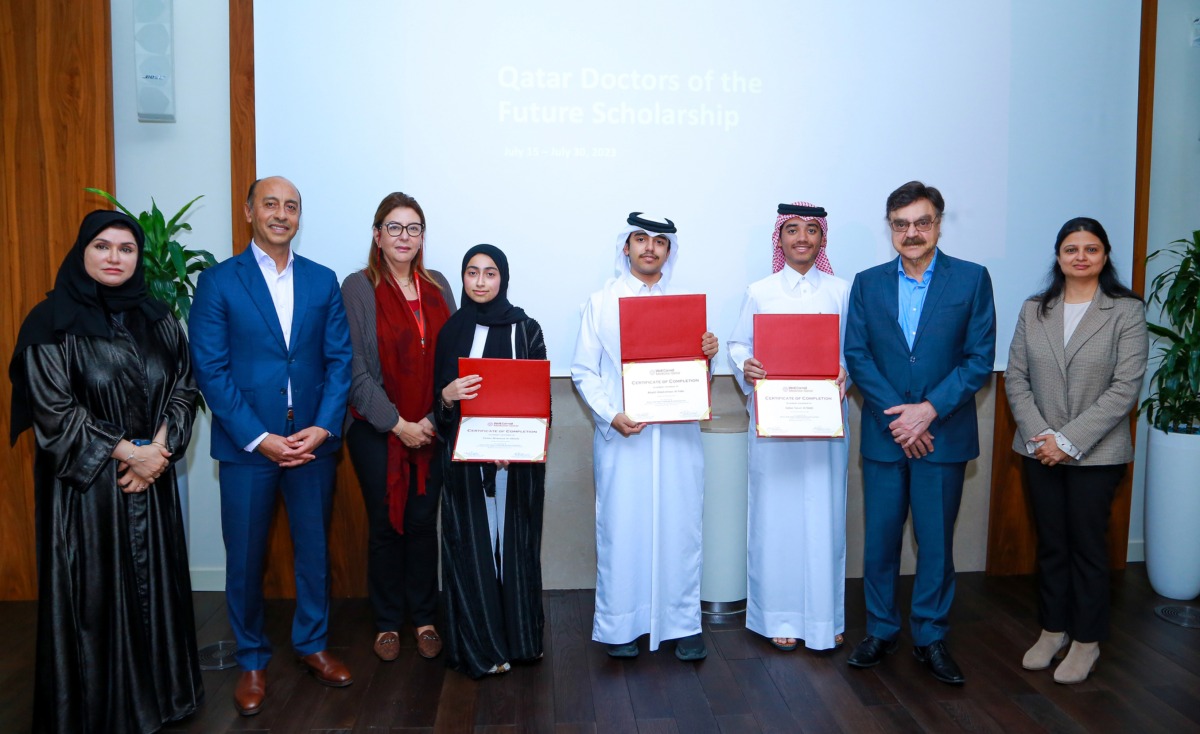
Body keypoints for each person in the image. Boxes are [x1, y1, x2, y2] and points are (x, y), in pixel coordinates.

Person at [9, 210, 203, 733]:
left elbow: (185, 387)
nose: (115, 257)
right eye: (102, 246)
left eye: (126, 249)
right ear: (82, 252)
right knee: (95, 602)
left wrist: (158, 450)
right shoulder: (49, 322)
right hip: (87, 493)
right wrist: (128, 453)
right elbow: (54, 412)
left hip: (152, 481)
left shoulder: (159, 317)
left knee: (154, 593)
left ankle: (162, 699)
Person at [189, 176, 354, 716]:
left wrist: (325, 427)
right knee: (245, 560)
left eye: (292, 206)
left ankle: (312, 644)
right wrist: (260, 438)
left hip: (311, 445)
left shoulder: (322, 280)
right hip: (247, 449)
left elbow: (339, 361)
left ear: (299, 217)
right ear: (248, 211)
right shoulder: (218, 283)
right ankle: (252, 660)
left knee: (313, 552)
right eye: (271, 204)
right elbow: (210, 370)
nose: (281, 214)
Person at [844, 181, 995, 685]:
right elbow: (858, 356)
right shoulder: (866, 283)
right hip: (888, 436)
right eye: (901, 224)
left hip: (943, 434)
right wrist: (901, 417)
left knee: (935, 543)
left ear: (938, 224)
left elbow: (978, 360)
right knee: (881, 542)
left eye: (922, 222)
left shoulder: (972, 280)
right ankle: (882, 631)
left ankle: (930, 636)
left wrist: (927, 411)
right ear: (890, 228)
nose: (912, 232)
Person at [1004, 217, 1147, 684]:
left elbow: (1125, 387)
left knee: (1087, 547)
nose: (1080, 257)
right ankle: (1053, 630)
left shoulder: (1125, 311)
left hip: (1097, 454)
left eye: (1091, 249)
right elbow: (1017, 378)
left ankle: (1087, 641)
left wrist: (1068, 441)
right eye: (1071, 249)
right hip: (1038, 449)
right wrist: (1043, 435)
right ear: (1059, 256)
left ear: (1105, 256)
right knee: (1051, 545)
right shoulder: (1034, 309)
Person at [571, 213, 719, 661]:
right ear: (626, 247)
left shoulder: (685, 304)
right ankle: (621, 626)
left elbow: (692, 378)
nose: (649, 248)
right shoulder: (601, 303)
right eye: (640, 239)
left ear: (668, 251)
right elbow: (583, 371)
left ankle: (681, 624)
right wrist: (610, 415)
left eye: (659, 241)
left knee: (680, 527)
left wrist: (707, 356)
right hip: (625, 438)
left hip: (677, 439)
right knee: (623, 529)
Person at [727, 202, 850, 652]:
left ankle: (825, 617)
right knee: (775, 518)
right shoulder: (759, 291)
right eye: (792, 230)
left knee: (824, 517)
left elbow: (854, 350)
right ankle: (777, 616)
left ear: (822, 239)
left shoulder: (841, 290)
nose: (802, 238)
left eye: (811, 230)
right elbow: (739, 345)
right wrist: (748, 365)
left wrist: (844, 372)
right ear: (779, 239)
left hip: (824, 425)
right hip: (774, 426)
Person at [341, 192, 454, 663]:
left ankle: (424, 617)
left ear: (422, 236)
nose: (404, 236)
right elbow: (355, 368)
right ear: (377, 235)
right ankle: (388, 621)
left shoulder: (441, 284)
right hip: (375, 427)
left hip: (433, 426)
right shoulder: (358, 287)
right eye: (394, 227)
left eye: (412, 228)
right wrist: (398, 424)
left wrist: (429, 419)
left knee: (423, 523)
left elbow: (451, 355)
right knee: (388, 525)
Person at [434, 244, 549, 677]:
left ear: (503, 278)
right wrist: (447, 397)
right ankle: (482, 648)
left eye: (490, 273)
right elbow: (439, 402)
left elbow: (540, 400)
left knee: (515, 547)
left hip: (516, 467)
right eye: (472, 273)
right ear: (463, 279)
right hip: (465, 464)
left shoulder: (527, 329)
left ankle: (521, 641)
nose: (481, 282)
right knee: (473, 551)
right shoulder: (451, 330)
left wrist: (516, 447)